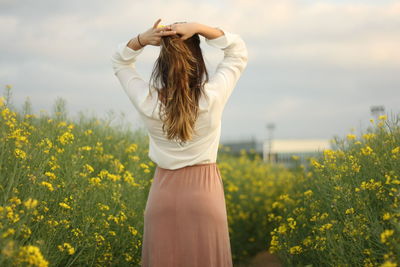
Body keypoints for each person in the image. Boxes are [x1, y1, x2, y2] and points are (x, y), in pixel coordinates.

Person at [111, 18, 248, 267]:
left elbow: (120, 61)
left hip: (162, 199)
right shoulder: (211, 98)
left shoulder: (147, 100)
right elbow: (237, 50)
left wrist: (142, 39)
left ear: (161, 63)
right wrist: (199, 27)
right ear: (197, 59)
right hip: (205, 197)